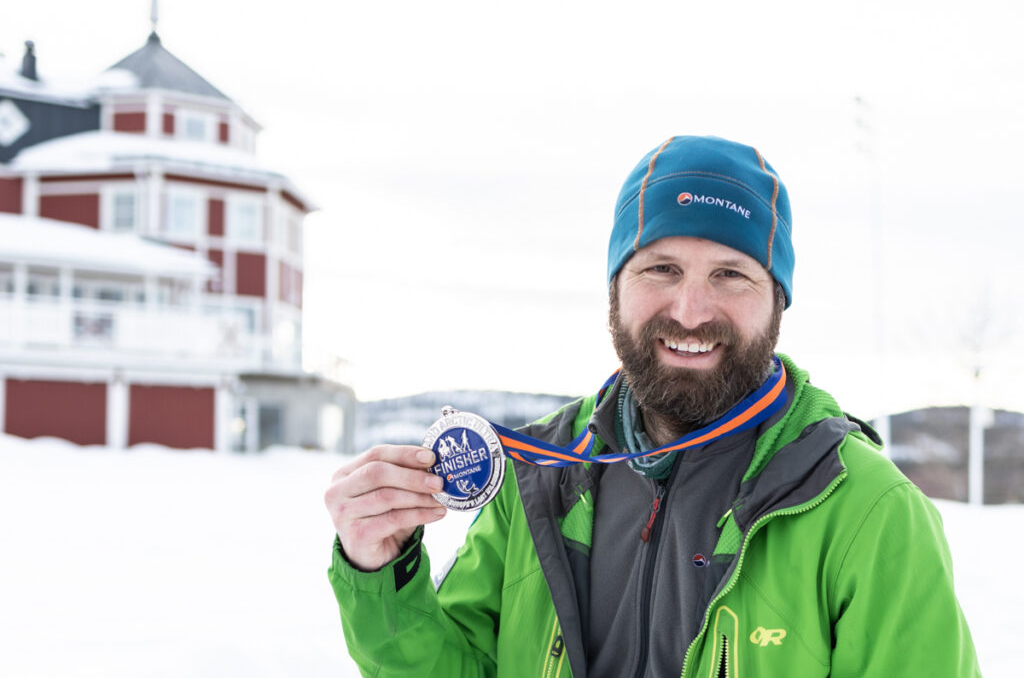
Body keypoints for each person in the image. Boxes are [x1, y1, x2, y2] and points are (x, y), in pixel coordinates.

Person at [324, 135, 980, 677]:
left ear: (777, 300)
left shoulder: (866, 511)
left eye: (730, 274)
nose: (690, 312)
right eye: (661, 268)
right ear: (616, 287)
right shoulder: (535, 478)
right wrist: (380, 573)